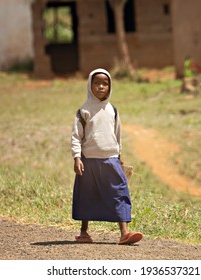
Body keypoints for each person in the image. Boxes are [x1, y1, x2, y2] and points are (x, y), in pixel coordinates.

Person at [71, 68, 142, 245]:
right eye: (96, 83)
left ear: (110, 86)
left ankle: (124, 233)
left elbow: (117, 135)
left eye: (105, 83)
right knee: (87, 195)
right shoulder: (84, 111)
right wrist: (77, 158)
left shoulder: (113, 110)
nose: (101, 86)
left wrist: (119, 156)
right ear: (89, 85)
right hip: (89, 160)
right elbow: (76, 136)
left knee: (119, 192)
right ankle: (84, 233)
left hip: (111, 159)